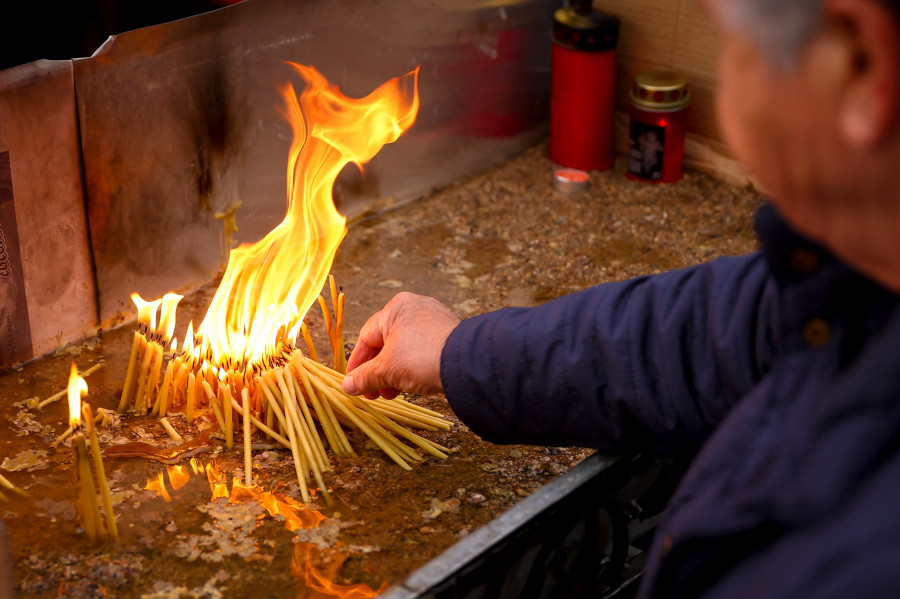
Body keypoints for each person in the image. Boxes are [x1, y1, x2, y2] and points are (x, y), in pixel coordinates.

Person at [342, 0, 900, 596]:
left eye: (732, 42)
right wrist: (461, 353)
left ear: (860, 60)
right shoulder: (862, 281)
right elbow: (707, 334)